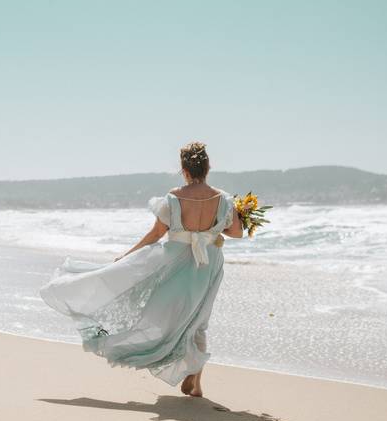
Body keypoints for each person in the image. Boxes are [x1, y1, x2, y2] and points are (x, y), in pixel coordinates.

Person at [40, 141, 246, 397]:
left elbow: (157, 234)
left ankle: (177, 365)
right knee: (198, 320)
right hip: (208, 264)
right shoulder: (224, 199)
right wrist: (213, 230)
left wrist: (128, 255)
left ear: (184, 169)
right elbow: (237, 232)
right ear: (208, 167)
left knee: (164, 315)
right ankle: (197, 381)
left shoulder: (174, 197)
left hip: (175, 262)